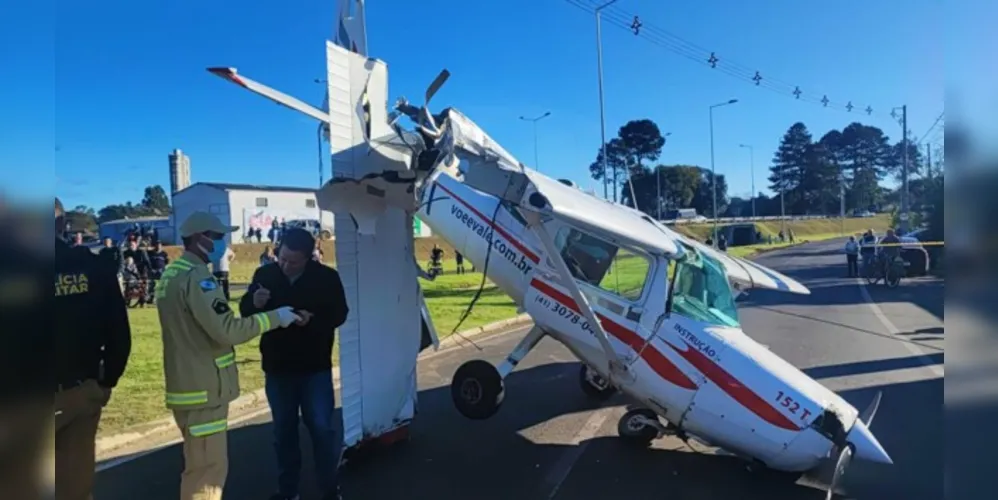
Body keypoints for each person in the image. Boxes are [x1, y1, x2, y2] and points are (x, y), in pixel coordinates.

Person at [156, 211, 301, 500]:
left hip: (186, 386)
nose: (224, 243)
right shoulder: (199, 279)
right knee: (207, 476)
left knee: (197, 466)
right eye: (219, 237)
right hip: (205, 390)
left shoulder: (172, 273)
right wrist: (276, 317)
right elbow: (228, 331)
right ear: (200, 239)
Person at [239, 228, 349, 500]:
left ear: (309, 257)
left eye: (293, 261)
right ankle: (288, 491)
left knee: (322, 429)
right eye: (282, 258)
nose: (286, 265)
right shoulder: (265, 275)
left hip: (315, 366)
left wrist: (312, 321)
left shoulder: (326, 277)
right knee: (283, 431)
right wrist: (254, 302)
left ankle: (329, 489)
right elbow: (245, 311)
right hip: (277, 367)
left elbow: (339, 314)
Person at [54, 197, 132, 500]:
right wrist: (107, 379)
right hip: (83, 390)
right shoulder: (94, 266)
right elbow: (119, 333)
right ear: (62, 225)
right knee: (75, 488)